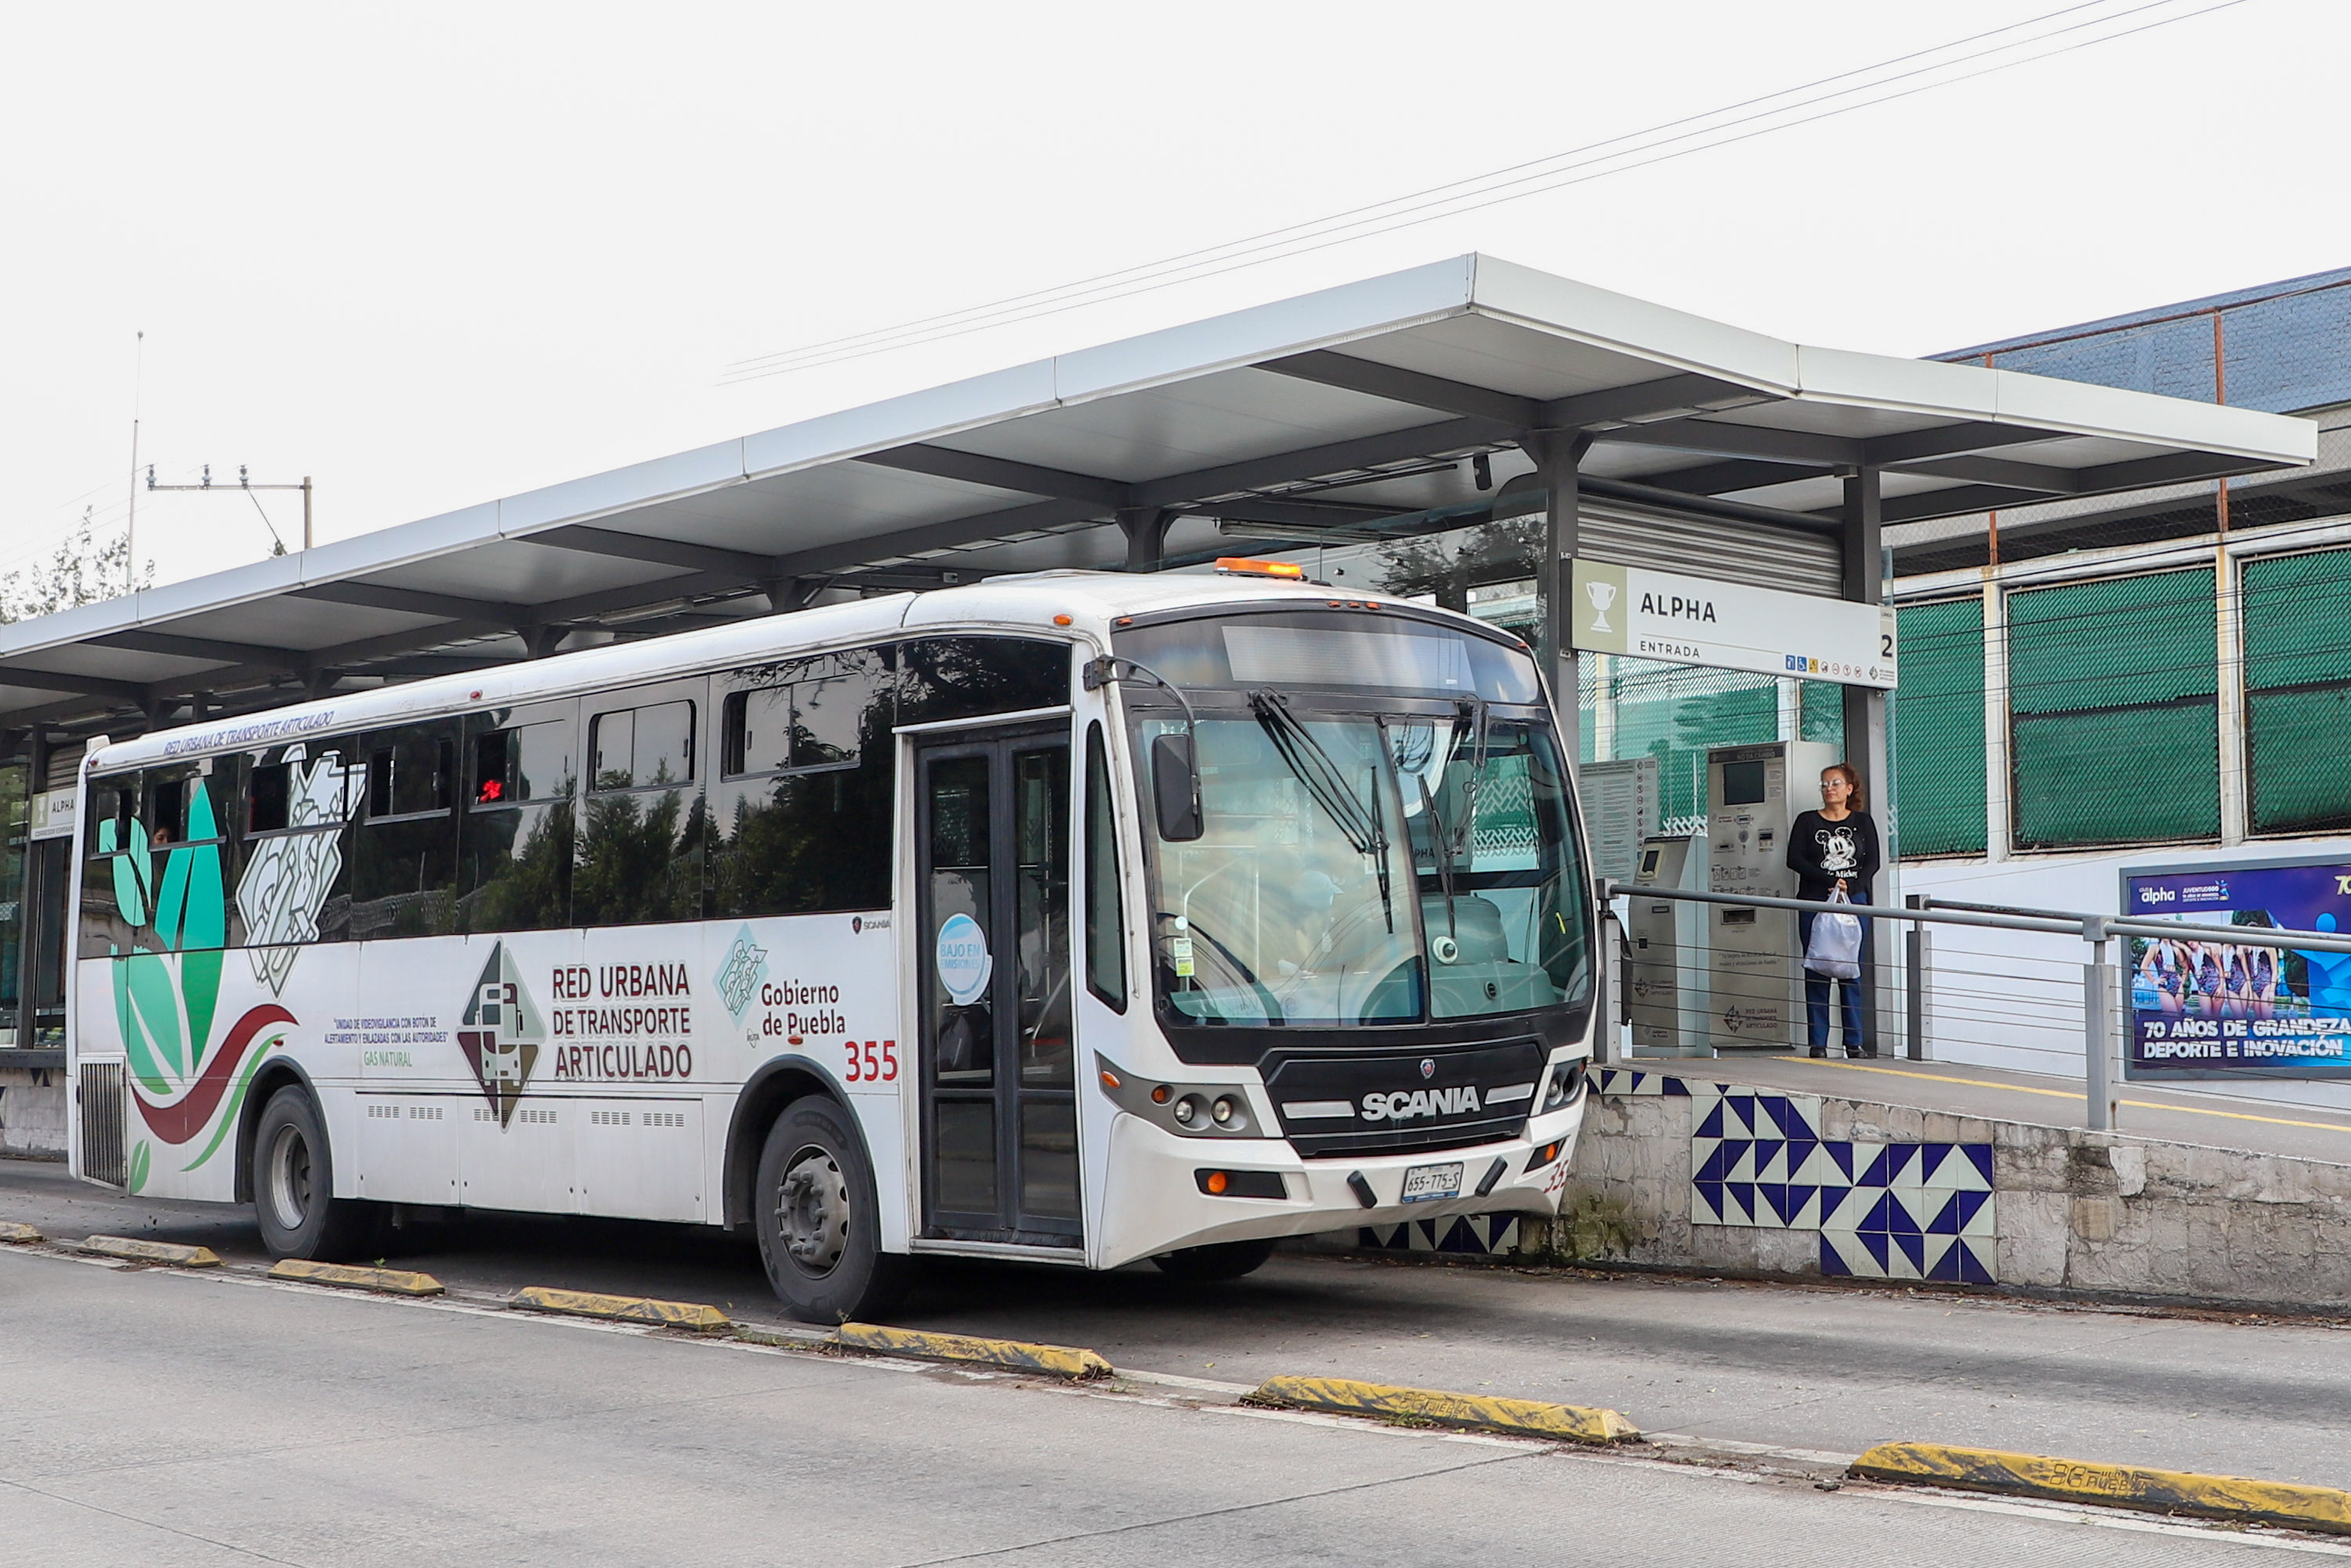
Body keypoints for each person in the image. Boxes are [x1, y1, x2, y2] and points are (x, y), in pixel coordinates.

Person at [1786, 762, 1881, 1059]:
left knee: (1850, 969)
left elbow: (1873, 862)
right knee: (1818, 967)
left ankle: (1853, 1042)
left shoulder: (1863, 822)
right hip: (1815, 903)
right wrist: (1830, 881)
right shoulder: (1807, 821)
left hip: (1854, 902)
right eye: (1825, 784)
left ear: (1849, 788)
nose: (1829, 789)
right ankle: (1818, 1043)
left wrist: (1850, 888)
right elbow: (1795, 859)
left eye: (1836, 783)